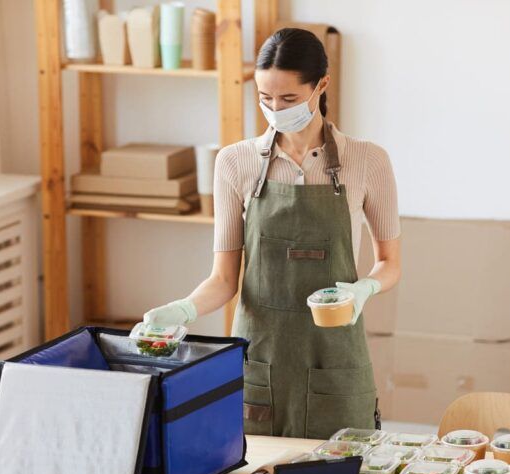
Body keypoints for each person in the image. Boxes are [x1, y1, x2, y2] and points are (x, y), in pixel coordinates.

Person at [136, 28, 401, 439]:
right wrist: (183, 310)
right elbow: (224, 280)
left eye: (289, 99)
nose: (276, 108)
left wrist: (364, 288)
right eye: (265, 98)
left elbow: (390, 264)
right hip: (259, 356)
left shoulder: (367, 161)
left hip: (334, 353)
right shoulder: (235, 163)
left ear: (321, 86)